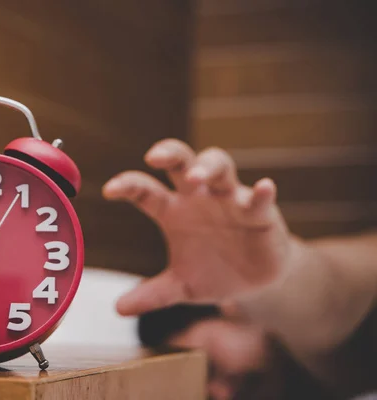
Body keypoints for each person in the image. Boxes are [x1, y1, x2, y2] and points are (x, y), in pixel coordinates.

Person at [102, 139, 377, 399]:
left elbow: (335, 296)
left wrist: (278, 280)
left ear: (228, 305)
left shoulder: (320, 316)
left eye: (208, 367)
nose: (220, 395)